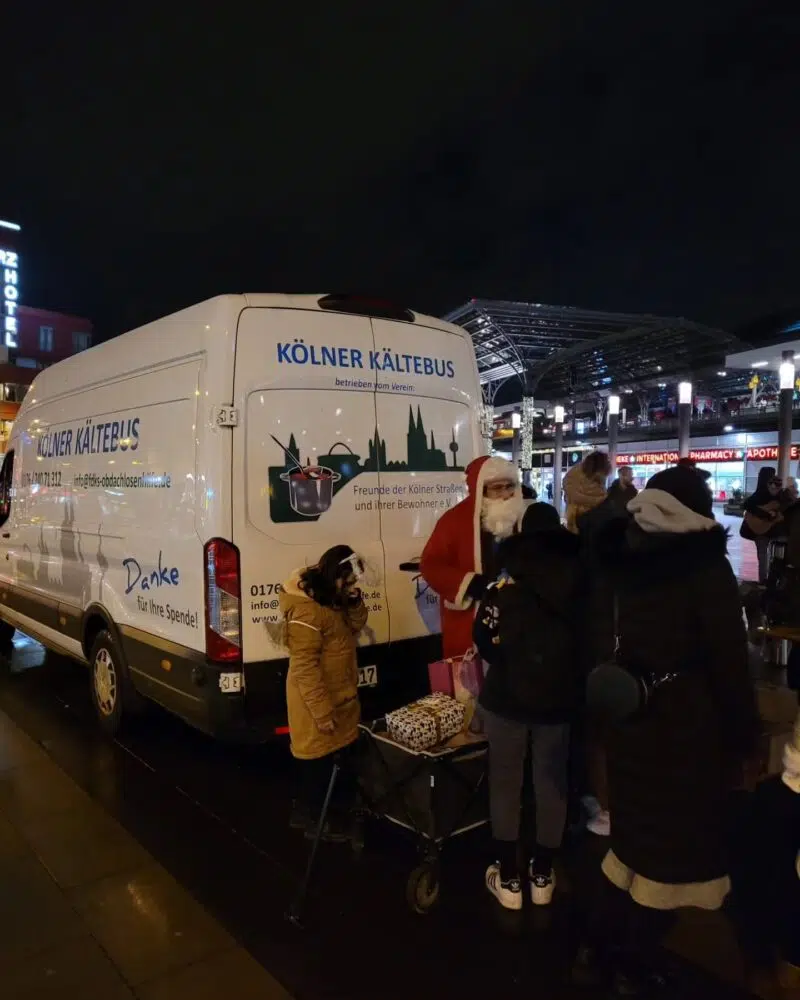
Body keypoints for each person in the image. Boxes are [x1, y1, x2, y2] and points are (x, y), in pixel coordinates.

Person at [574, 465, 757, 996]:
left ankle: (594, 949)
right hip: (687, 729)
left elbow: (595, 636)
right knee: (671, 853)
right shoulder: (703, 566)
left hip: (629, 719)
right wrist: (743, 738)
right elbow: (729, 662)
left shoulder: (618, 556)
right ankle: (633, 961)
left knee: (629, 841)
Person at [473, 503, 585, 911]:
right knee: (551, 785)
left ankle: (508, 879)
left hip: (508, 700)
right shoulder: (580, 591)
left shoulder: (505, 592)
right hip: (559, 702)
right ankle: (542, 874)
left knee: (506, 783)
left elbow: (484, 643)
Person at [280, 545, 369, 842]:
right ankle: (314, 821)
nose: (353, 586)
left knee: (333, 756)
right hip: (315, 700)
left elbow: (354, 627)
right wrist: (320, 711)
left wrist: (355, 603)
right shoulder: (307, 610)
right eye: (350, 581)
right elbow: (304, 667)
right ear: (336, 575)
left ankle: (323, 814)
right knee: (316, 760)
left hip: (339, 693)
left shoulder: (332, 598)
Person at [420, 456, 524, 659]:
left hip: (515, 620)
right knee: (470, 684)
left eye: (509, 486)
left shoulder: (522, 518)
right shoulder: (453, 520)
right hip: (470, 619)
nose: (504, 495)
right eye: (497, 488)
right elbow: (430, 565)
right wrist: (470, 583)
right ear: (481, 490)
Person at [742, 467, 784, 584]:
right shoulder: (764, 493)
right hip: (765, 529)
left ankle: (764, 581)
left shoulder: (763, 492)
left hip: (764, 529)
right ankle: (768, 581)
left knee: (764, 555)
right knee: (769, 555)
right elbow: (746, 505)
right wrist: (767, 515)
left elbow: (746, 504)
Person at [563, 451, 611, 534]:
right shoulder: (597, 489)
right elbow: (599, 498)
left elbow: (570, 495)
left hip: (573, 520)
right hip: (590, 525)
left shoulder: (572, 476)